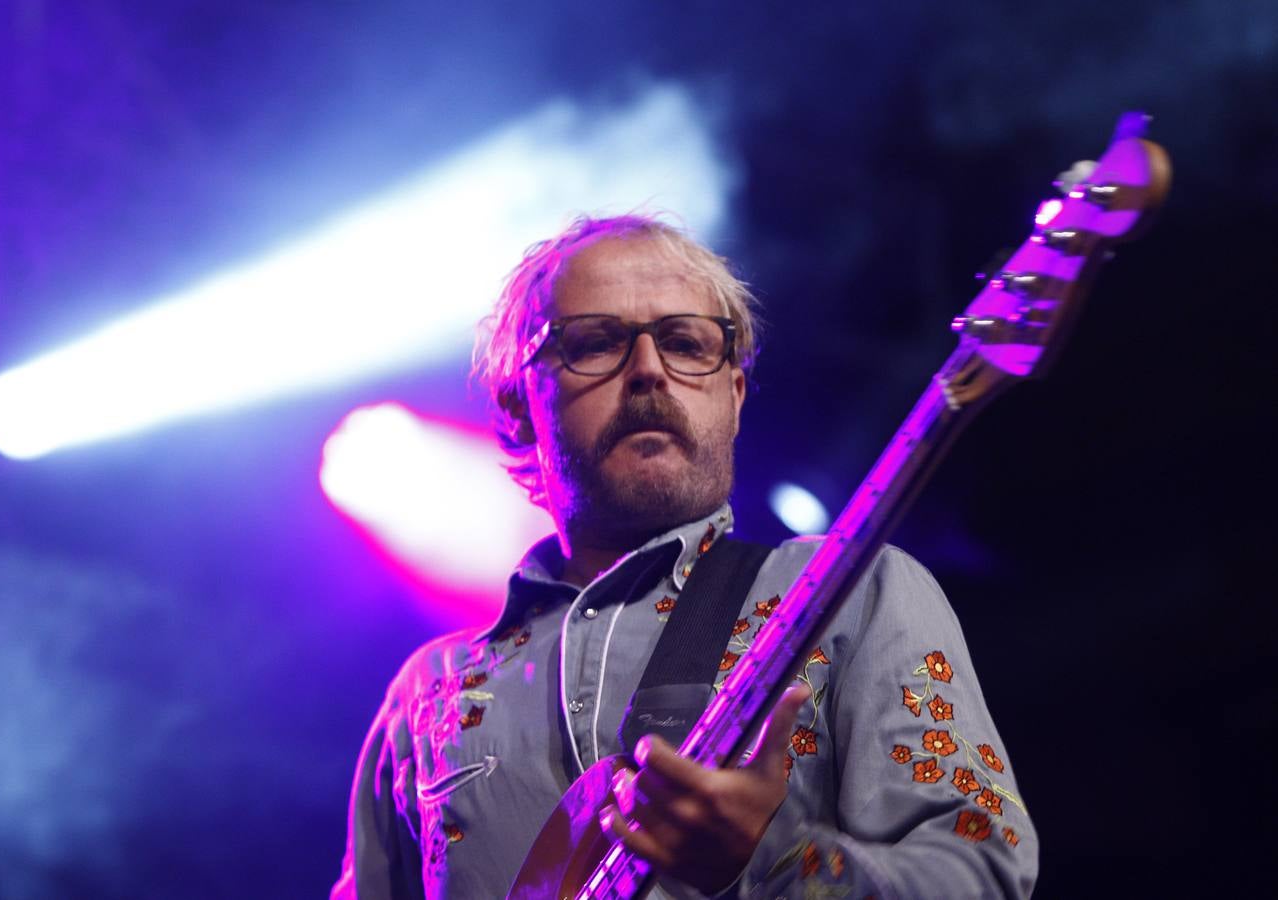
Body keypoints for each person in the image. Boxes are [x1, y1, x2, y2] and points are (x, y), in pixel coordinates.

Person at [332, 214, 1038, 899]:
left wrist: (773, 861)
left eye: (687, 343)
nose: (648, 370)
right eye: (596, 341)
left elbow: (981, 880)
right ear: (520, 406)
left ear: (732, 396)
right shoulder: (428, 696)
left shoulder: (851, 592)